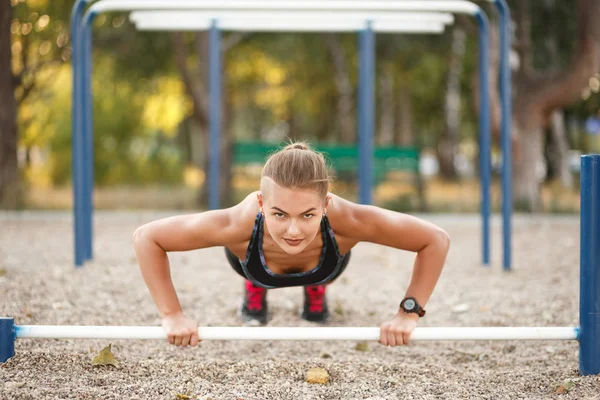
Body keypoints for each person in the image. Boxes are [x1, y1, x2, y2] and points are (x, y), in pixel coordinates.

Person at [133, 141, 450, 349]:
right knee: (251, 255)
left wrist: (408, 313)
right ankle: (258, 288)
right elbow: (147, 238)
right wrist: (172, 313)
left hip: (325, 266)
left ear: (326, 204)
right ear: (260, 202)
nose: (294, 229)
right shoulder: (237, 223)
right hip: (256, 267)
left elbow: (435, 240)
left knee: (320, 260)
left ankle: (315, 287)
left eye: (308, 214)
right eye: (279, 214)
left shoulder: (349, 220)